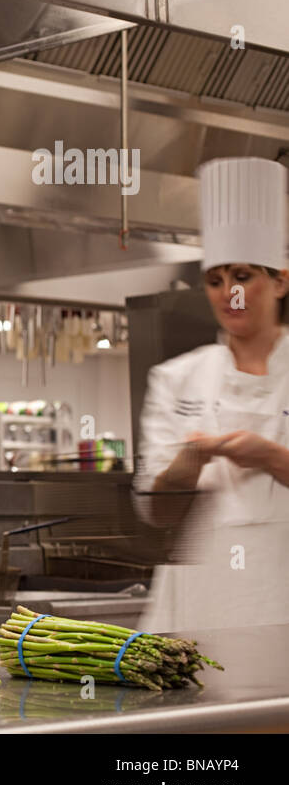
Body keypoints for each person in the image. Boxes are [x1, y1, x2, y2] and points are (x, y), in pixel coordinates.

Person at [135, 155, 289, 633]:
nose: (229, 295)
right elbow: (156, 514)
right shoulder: (177, 377)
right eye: (215, 280)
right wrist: (183, 470)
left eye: (243, 276)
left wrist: (271, 458)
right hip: (206, 606)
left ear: (281, 280)